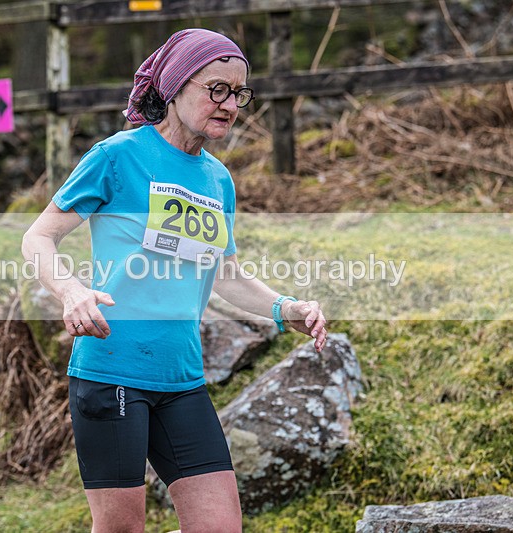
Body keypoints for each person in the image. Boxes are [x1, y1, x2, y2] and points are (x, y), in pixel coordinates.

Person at [22, 28, 327, 533]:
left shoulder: (217, 179)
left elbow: (224, 272)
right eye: (217, 89)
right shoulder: (116, 156)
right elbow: (38, 238)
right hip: (111, 371)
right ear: (176, 85)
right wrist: (71, 290)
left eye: (239, 93)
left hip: (182, 380)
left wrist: (286, 308)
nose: (230, 104)